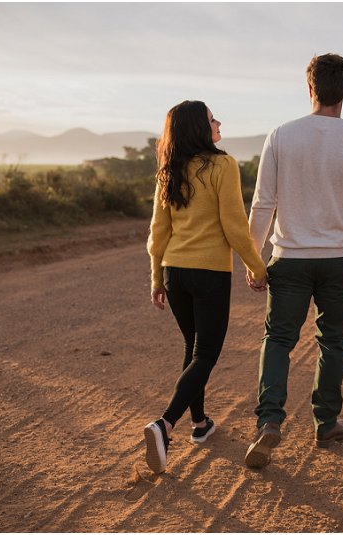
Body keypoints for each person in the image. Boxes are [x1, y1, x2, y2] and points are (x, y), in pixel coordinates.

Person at [244, 53, 343, 469]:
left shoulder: (281, 136)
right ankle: (326, 422)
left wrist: (255, 259)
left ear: (310, 89)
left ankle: (269, 420)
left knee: (279, 340)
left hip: (289, 258)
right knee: (333, 340)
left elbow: (262, 204)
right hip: (338, 260)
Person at [144, 100, 268, 475]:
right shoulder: (222, 165)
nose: (219, 122)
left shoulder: (169, 170)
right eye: (213, 118)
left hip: (174, 272)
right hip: (209, 273)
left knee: (193, 347)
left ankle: (200, 424)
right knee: (206, 353)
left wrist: (155, 278)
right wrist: (257, 266)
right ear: (200, 127)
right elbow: (233, 224)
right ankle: (164, 425)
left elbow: (158, 232)